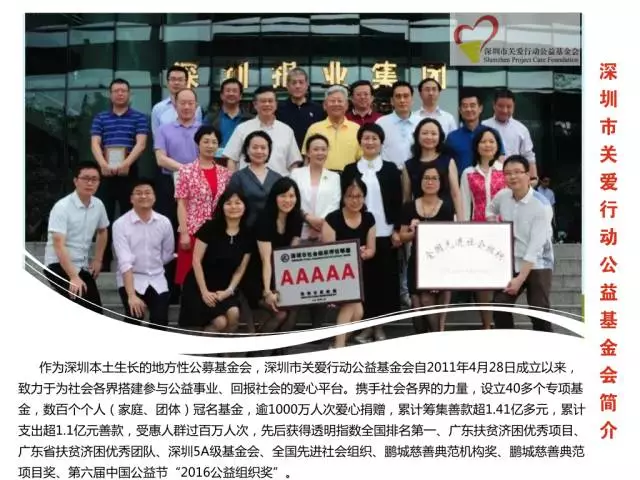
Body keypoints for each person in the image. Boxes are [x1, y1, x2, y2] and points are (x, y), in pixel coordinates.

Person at [342, 123, 403, 343]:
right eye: (366, 138)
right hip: (357, 233)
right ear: (360, 141)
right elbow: (344, 202)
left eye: (374, 138)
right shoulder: (350, 170)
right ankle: (364, 326)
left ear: (381, 142)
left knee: (384, 282)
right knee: (363, 282)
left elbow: (398, 201)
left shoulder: (390, 169)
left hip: (385, 233)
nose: (370, 142)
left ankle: (379, 327)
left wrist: (397, 228)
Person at [488, 155, 554, 331]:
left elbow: (535, 248)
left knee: (538, 311)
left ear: (528, 175)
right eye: (508, 173)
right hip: (511, 260)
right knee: (500, 306)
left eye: (517, 172)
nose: (513, 177)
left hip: (538, 263)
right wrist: (495, 228)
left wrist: (520, 279)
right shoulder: (502, 196)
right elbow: (490, 209)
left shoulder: (541, 206)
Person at [90, 78, 148, 271]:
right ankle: (103, 262)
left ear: (129, 94)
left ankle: (128, 261)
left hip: (129, 173)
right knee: (103, 217)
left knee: (130, 217)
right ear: (110, 94)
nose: (120, 94)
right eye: (116, 91)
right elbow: (95, 143)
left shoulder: (139, 117)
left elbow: (141, 144)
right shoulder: (100, 118)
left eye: (124, 90)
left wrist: (126, 163)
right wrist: (102, 164)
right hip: (105, 173)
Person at [179, 187, 252, 332]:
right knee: (220, 322)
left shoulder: (248, 234)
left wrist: (229, 290)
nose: (233, 207)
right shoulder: (209, 227)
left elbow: (240, 269)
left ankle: (225, 346)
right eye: (228, 203)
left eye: (238, 203)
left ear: (245, 206)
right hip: (199, 286)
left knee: (234, 314)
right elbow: (196, 260)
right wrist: (204, 292)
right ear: (221, 206)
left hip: (225, 287)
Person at [43, 162, 109, 314]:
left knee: (96, 310)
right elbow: (59, 244)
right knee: (81, 302)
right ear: (75, 181)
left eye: (94, 179)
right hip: (57, 265)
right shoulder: (62, 207)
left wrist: (98, 259)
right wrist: (73, 277)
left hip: (81, 266)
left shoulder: (98, 205)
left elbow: (103, 231)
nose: (90, 183)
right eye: (85, 178)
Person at [290, 133, 341, 329]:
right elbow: (291, 201)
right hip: (300, 231)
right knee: (298, 280)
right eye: (315, 149)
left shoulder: (335, 177)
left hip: (324, 233)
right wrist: (307, 218)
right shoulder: (296, 174)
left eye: (323, 149)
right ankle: (289, 327)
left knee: (321, 281)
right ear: (308, 152)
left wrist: (321, 224)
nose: (320, 153)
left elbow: (335, 204)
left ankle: (318, 327)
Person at [398, 166, 455, 333]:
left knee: (429, 301)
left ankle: (437, 337)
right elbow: (402, 236)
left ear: (441, 182)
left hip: (440, 263)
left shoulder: (447, 207)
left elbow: (451, 238)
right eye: (426, 178)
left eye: (434, 178)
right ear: (420, 181)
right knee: (418, 314)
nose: (430, 182)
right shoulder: (409, 206)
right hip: (417, 262)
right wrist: (413, 232)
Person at [459, 127, 506, 329]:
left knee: (502, 277)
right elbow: (463, 203)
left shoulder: (505, 170)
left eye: (491, 141)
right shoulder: (468, 173)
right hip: (477, 229)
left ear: (497, 146)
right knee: (482, 278)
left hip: (503, 229)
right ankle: (486, 323)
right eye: (483, 141)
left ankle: (501, 320)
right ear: (476, 146)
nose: (487, 145)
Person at [174, 126, 233, 287]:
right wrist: (184, 233)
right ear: (197, 143)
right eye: (206, 141)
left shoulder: (225, 173)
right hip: (193, 231)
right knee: (189, 279)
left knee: (213, 278)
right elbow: (181, 204)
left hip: (217, 231)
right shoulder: (186, 171)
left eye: (214, 142)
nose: (210, 145)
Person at [112, 179, 174, 327]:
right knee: (134, 316)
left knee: (160, 321)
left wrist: (156, 265)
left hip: (157, 278)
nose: (144, 196)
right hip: (131, 278)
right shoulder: (120, 224)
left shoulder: (164, 222)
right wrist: (131, 295)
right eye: (138, 193)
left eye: (148, 192)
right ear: (131, 199)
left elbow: (168, 253)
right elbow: (124, 261)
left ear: (154, 197)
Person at [322, 177, 376, 348]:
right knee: (351, 304)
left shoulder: (369, 218)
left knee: (358, 314)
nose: (355, 200)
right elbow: (327, 252)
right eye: (350, 196)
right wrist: (350, 254)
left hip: (357, 274)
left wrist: (363, 254)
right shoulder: (332, 219)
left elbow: (371, 249)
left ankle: (337, 344)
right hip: (336, 274)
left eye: (359, 196)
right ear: (343, 197)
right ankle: (339, 348)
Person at [254, 178, 304, 336]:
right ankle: (257, 344)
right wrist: (267, 291)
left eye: (291, 196)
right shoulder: (264, 219)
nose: (287, 200)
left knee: (295, 306)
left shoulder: (296, 217)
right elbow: (265, 260)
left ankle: (281, 347)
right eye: (283, 196)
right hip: (259, 276)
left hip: (281, 273)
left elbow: (291, 255)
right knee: (281, 313)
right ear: (274, 197)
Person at [223, 86, 301, 175]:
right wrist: (234, 181)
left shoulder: (287, 131)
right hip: (248, 182)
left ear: (276, 104)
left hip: (280, 182)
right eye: (263, 101)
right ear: (255, 105)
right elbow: (232, 159)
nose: (267, 104)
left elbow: (293, 163)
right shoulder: (242, 129)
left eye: (270, 101)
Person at [403, 117, 464, 217]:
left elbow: (456, 194)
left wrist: (461, 220)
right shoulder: (409, 165)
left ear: (440, 137)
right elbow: (407, 198)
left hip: (445, 216)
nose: (429, 137)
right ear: (417, 136)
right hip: (419, 218)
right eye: (424, 133)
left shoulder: (448, 161)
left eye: (433, 134)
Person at [302, 85, 361, 173]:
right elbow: (307, 159)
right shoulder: (314, 129)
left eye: (340, 101)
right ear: (325, 105)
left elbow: (361, 159)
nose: (336, 104)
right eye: (332, 101)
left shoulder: (356, 129)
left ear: (347, 105)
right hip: (320, 177)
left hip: (348, 177)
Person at [276, 67, 325, 149]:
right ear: (287, 86)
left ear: (307, 85)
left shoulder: (318, 109)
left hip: (311, 154)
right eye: (294, 83)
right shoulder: (278, 109)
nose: (297, 86)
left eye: (301, 82)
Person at [151, 65, 203, 138]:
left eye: (180, 80)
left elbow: (198, 135)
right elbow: (156, 136)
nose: (176, 83)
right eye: (173, 79)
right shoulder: (158, 108)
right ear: (167, 83)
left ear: (186, 83)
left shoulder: (196, 108)